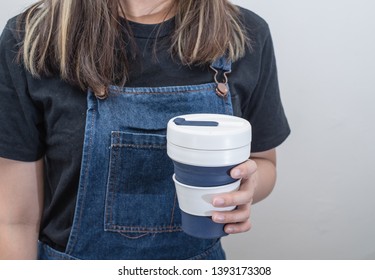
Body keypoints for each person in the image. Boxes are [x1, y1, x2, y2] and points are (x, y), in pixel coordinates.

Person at [0, 0, 290, 260]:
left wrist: (245, 188)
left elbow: (264, 163)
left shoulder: (243, 34)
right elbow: (14, 221)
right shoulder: (32, 39)